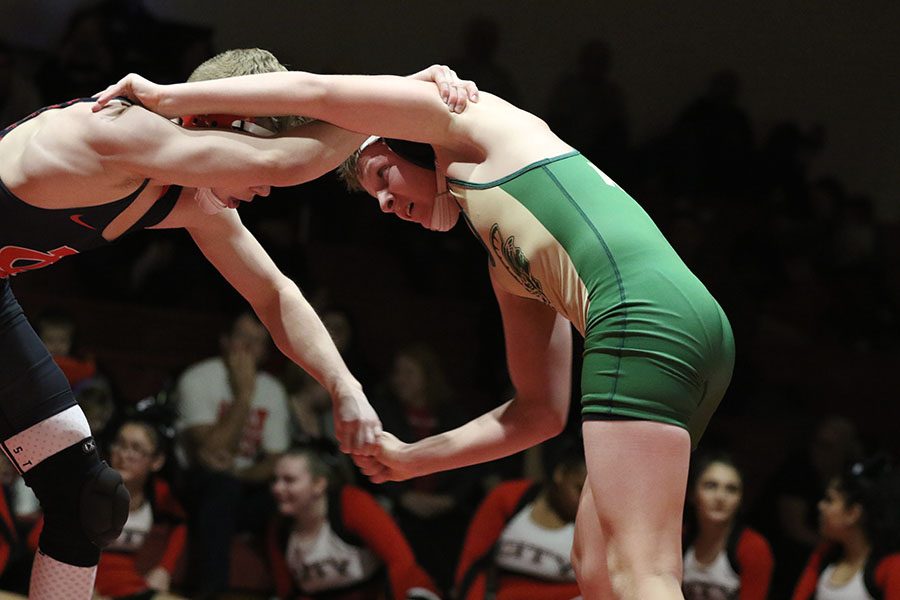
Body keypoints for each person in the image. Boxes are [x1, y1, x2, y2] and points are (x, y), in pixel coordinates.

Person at [94, 63, 735, 600]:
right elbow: (540, 413)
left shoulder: (469, 121)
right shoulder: (509, 265)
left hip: (640, 315)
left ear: (407, 139)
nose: (382, 202)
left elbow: (314, 92)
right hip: (695, 328)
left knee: (640, 574)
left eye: (378, 175)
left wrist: (166, 97)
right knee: (595, 571)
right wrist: (407, 460)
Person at [1, 49, 472, 599]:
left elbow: (274, 294)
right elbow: (281, 165)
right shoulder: (123, 130)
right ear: (221, 123)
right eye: (256, 148)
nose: (264, 190)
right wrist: (400, 100)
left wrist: (345, 386)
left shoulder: (188, 191)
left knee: (87, 499)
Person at [173, 310, 291, 598]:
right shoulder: (198, 378)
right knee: (220, 486)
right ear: (225, 341)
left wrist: (239, 473)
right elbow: (208, 453)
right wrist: (243, 396)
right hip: (196, 485)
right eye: (242, 338)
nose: (249, 348)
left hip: (244, 484)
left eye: (258, 342)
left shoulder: (274, 390)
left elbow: (276, 461)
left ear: (265, 351)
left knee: (292, 493)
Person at [26, 418, 188, 600]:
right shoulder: (86, 488)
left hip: (133, 588)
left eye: (136, 448)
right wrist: (74, 581)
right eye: (119, 444)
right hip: (84, 587)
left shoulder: (160, 495)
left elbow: (180, 528)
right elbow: (36, 538)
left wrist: (164, 569)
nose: (124, 455)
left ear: (156, 461)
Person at [267, 444, 440, 600]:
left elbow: (401, 561)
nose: (277, 488)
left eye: (289, 480)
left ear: (318, 484)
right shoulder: (280, 530)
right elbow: (287, 592)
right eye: (275, 480)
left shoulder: (351, 503)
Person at [454, 436, 585, 600]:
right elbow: (473, 564)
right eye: (578, 489)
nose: (584, 501)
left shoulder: (596, 520)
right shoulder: (509, 497)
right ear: (560, 474)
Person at [791, 456, 900, 599]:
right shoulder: (823, 555)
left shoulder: (890, 567)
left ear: (853, 513)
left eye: (829, 500)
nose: (821, 506)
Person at [681, 453, 773, 600]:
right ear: (692, 494)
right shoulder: (679, 538)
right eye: (711, 486)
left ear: (740, 499)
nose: (720, 497)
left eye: (731, 489)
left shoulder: (754, 548)